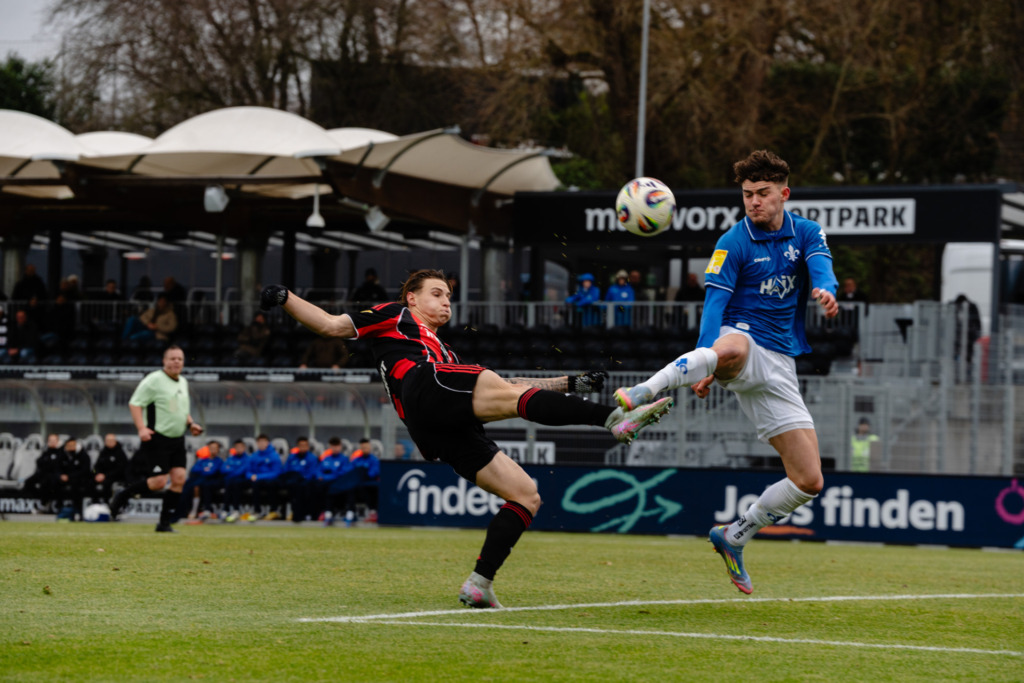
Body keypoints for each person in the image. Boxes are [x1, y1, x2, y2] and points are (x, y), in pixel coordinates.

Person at [260, 269, 672, 608]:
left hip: (438, 426)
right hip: (422, 386)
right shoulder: (392, 316)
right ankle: (615, 419)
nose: (446, 302)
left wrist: (571, 382)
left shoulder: (449, 354)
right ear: (412, 300)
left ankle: (479, 584)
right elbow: (331, 325)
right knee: (493, 385)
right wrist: (286, 297)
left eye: (449, 297)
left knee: (526, 495)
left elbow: (510, 387)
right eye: (436, 294)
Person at [614, 150, 839, 595]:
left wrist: (826, 291)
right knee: (732, 343)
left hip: (780, 365)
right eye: (747, 194)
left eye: (762, 193)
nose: (753, 202)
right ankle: (643, 390)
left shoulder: (808, 232)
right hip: (741, 340)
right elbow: (714, 307)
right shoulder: (731, 242)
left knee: (809, 480)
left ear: (783, 193)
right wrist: (708, 359)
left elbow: (822, 268)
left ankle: (735, 534)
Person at [109, 345, 205, 532]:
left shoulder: (183, 382)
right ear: (164, 361)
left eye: (180, 359)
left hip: (177, 439)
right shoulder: (153, 380)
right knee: (158, 482)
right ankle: (123, 495)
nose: (176, 362)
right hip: (158, 438)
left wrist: (191, 424)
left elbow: (180, 409)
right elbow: (135, 403)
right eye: (172, 358)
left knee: (179, 479)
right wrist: (141, 428)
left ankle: (164, 523)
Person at [176, 440, 223, 522]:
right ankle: (181, 511)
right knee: (186, 486)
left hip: (211, 482)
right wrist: (205, 470)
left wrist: (204, 471)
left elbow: (212, 472)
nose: (213, 450)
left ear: (218, 450)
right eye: (211, 448)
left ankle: (197, 511)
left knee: (200, 486)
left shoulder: (219, 461)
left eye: (215, 448)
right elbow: (194, 469)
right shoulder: (202, 460)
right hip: (199, 480)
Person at [279, 436, 319, 522]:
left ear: (308, 447)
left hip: (304, 483)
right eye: (301, 445)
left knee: (303, 488)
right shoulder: (291, 457)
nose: (303, 447)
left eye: (305, 445)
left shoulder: (312, 458)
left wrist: (301, 478)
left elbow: (312, 473)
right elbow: (286, 470)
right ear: (297, 446)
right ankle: (280, 513)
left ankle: (301, 514)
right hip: (291, 482)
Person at [23, 433, 64, 513]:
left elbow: (55, 465)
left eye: (54, 440)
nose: (52, 442)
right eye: (50, 440)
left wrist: (48, 463)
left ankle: (44, 504)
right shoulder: (46, 451)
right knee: (28, 482)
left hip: (54, 476)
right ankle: (39, 500)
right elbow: (39, 462)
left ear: (58, 441)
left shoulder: (61, 452)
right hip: (42, 474)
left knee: (47, 483)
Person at [248, 434, 283, 520]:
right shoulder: (254, 456)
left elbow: (276, 472)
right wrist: (251, 476)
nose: (261, 444)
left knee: (271, 484)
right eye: (259, 442)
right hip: (258, 480)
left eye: (263, 442)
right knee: (255, 484)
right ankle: (257, 511)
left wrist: (259, 476)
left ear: (268, 443)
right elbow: (248, 470)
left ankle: (273, 511)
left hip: (271, 479)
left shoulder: (274, 455)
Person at [56, 437, 91, 520]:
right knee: (55, 484)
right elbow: (56, 468)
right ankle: (60, 511)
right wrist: (60, 475)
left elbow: (85, 470)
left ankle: (78, 513)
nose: (71, 447)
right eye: (69, 445)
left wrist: (69, 477)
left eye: (73, 445)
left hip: (79, 481)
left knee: (78, 489)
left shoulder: (83, 455)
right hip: (64, 480)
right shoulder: (62, 455)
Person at [89, 433, 129, 504]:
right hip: (101, 476)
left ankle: (107, 504)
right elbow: (95, 467)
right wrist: (96, 474)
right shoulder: (103, 452)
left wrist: (105, 475)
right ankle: (94, 503)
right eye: (108, 440)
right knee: (90, 482)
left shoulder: (120, 453)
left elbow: (121, 469)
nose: (110, 442)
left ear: (115, 441)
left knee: (107, 484)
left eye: (111, 440)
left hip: (115, 477)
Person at [221, 439, 252, 523]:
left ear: (244, 448)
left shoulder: (248, 459)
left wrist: (231, 469)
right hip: (231, 480)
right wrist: (234, 470)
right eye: (237, 447)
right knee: (228, 483)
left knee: (235, 483)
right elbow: (223, 469)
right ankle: (225, 510)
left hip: (244, 481)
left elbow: (241, 471)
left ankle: (236, 510)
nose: (239, 449)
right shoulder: (230, 458)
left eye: (240, 447)